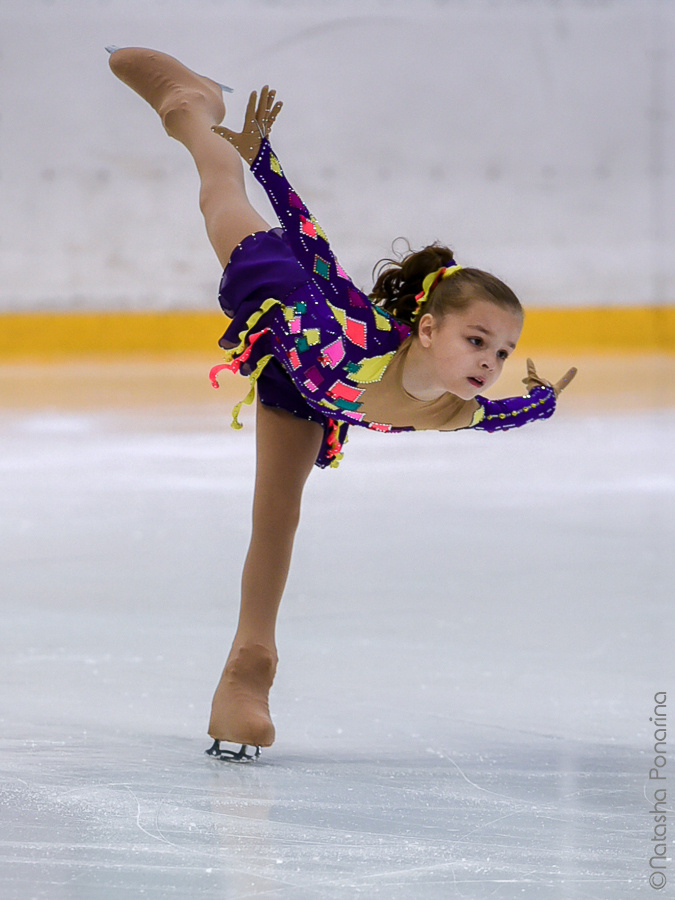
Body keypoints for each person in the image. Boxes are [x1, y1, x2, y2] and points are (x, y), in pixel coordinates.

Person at [107, 47, 576, 761]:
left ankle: (248, 667)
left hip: (306, 397)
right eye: (478, 340)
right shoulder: (355, 340)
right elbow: (316, 256)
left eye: (504, 352)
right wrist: (265, 162)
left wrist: (539, 401)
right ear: (425, 330)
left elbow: (507, 414)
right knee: (219, 195)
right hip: (286, 301)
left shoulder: (455, 408)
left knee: (277, 516)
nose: (491, 362)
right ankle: (190, 109)